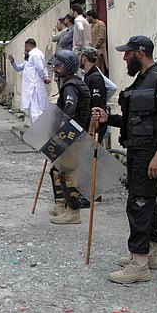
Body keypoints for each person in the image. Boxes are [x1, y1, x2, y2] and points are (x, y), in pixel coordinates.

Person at [92, 35, 157, 284]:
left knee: (139, 204)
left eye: (127, 53)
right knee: (147, 202)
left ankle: (139, 264)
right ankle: (150, 254)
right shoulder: (141, 81)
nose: (124, 58)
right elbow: (134, 122)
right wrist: (107, 119)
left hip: (150, 153)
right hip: (137, 150)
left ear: (140, 53)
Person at [47, 50, 91, 224]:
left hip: (72, 135)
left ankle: (73, 211)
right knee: (56, 171)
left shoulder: (71, 86)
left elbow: (68, 112)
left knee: (68, 173)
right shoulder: (71, 83)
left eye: (59, 65)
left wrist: (59, 135)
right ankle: (61, 205)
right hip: (71, 134)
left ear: (69, 66)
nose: (56, 69)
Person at [8, 38, 50, 125]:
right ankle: (36, 130)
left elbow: (41, 68)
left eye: (25, 47)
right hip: (30, 88)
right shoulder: (30, 57)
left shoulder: (35, 54)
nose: (24, 50)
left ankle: (38, 131)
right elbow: (19, 68)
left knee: (36, 111)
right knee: (33, 110)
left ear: (27, 46)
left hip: (34, 88)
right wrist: (13, 62)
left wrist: (45, 78)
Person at [80, 46, 108, 142]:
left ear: (84, 58)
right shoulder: (88, 76)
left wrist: (91, 130)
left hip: (94, 127)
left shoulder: (95, 78)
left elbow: (96, 106)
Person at [86, 10, 108, 75]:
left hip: (99, 51)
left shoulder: (100, 24)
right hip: (92, 52)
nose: (87, 19)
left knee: (100, 70)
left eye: (87, 17)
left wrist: (95, 48)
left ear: (90, 16)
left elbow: (101, 37)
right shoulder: (90, 25)